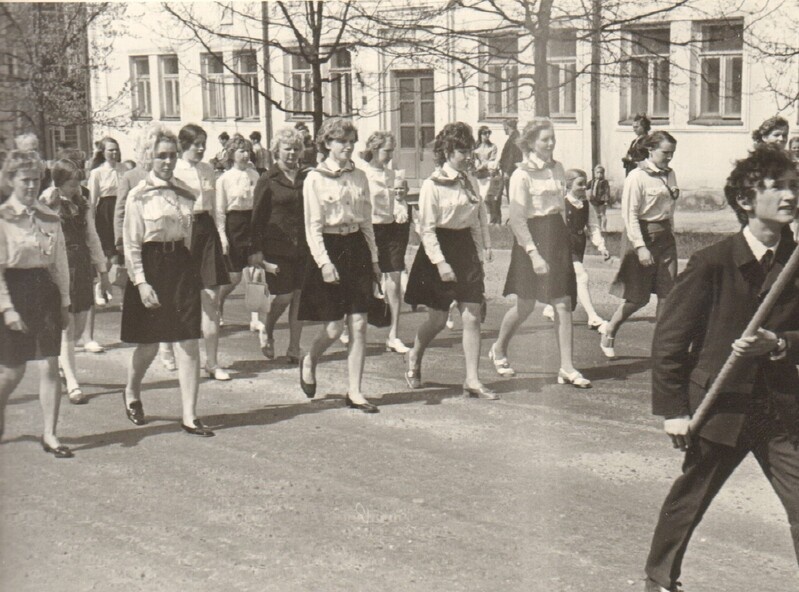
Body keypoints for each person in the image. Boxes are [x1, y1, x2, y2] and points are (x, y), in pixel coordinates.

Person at [642, 145, 799, 592]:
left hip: (781, 411)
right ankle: (659, 578)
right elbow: (670, 343)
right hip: (721, 405)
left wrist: (781, 344)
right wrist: (674, 409)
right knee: (690, 500)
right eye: (777, 188)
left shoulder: (798, 262)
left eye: (794, 187)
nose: (790, 196)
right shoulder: (712, 262)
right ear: (746, 201)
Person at [121, 125, 213, 437]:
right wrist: (142, 283)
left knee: (188, 339)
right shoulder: (138, 196)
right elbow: (133, 245)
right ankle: (132, 391)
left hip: (180, 266)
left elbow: (188, 235)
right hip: (150, 267)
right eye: (161, 156)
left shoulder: (186, 193)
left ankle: (190, 414)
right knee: (148, 344)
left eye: (172, 155)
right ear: (149, 158)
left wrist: (186, 267)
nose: (168, 161)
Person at [488, 119, 590, 388]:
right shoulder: (521, 174)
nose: (551, 143)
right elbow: (518, 220)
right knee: (526, 305)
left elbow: (559, 209)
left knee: (563, 303)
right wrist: (534, 254)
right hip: (530, 241)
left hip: (555, 237)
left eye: (553, 138)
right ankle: (498, 348)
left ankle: (567, 367)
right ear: (531, 142)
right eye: (545, 139)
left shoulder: (558, 168)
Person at [404, 122, 496, 399]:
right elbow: (427, 230)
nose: (468, 155)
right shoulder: (432, 185)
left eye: (470, 150)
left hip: (465, 248)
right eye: (462, 150)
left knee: (471, 316)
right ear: (447, 151)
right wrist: (441, 264)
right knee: (438, 319)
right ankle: (414, 355)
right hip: (438, 251)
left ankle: (472, 379)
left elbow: (478, 221)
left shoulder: (470, 181)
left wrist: (482, 252)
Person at [297, 117, 381, 413]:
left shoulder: (359, 176)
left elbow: (367, 221)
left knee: (358, 324)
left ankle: (355, 391)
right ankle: (311, 358)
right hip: (329, 249)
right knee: (333, 328)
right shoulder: (315, 179)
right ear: (327, 144)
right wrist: (324, 263)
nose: (347, 147)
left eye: (350, 142)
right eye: (341, 141)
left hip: (355, 247)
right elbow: (313, 227)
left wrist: (373, 259)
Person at [0, 150, 73, 457]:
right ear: (11, 180)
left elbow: (59, 263)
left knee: (49, 365)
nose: (31, 186)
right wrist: (7, 309)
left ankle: (50, 434)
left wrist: (65, 301)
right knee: (12, 372)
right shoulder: (3, 218)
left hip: (44, 292)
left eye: (35, 180)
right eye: (24, 180)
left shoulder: (49, 217)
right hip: (13, 292)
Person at [602, 131, 679, 359]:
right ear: (650, 150)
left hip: (665, 238)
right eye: (665, 153)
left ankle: (660, 347)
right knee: (638, 298)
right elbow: (630, 215)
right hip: (642, 237)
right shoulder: (636, 177)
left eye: (672, 154)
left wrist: (670, 233)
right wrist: (641, 247)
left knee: (667, 294)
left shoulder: (670, 174)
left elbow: (669, 207)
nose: (669, 158)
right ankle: (610, 329)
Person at [40, 159, 111, 405]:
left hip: (81, 265)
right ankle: (72, 382)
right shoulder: (48, 203)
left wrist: (102, 271)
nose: (76, 188)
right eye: (71, 184)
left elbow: (92, 236)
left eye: (78, 183)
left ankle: (63, 363)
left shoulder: (82, 204)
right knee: (67, 326)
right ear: (58, 184)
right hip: (60, 266)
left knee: (79, 326)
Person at [172, 124, 231, 381]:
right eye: (197, 143)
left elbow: (216, 207)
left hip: (206, 231)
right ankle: (170, 348)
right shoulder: (173, 170)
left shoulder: (208, 170)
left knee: (211, 296)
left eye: (203, 143)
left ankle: (212, 362)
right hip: (182, 231)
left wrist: (222, 235)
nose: (201, 148)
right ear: (184, 145)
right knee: (180, 297)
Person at [250, 127, 309, 362]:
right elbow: (257, 217)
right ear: (277, 151)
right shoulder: (268, 179)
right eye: (287, 148)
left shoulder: (307, 177)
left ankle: (294, 348)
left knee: (299, 297)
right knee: (283, 296)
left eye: (296, 148)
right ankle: (268, 328)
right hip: (277, 247)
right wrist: (256, 250)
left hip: (303, 247)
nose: (292, 153)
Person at [361, 131, 411, 354]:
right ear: (374, 149)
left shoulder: (393, 175)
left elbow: (400, 200)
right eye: (387, 151)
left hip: (391, 230)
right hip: (368, 230)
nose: (390, 155)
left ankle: (394, 334)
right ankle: (349, 327)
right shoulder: (362, 174)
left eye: (392, 151)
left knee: (395, 277)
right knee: (362, 281)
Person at [542, 169, 611, 329]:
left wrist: (601, 246)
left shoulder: (586, 204)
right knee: (582, 276)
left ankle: (550, 307)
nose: (583, 188)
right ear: (568, 184)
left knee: (566, 277)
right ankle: (593, 316)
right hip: (562, 244)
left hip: (578, 244)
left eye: (585, 184)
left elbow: (593, 226)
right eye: (580, 184)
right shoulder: (561, 203)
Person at [216, 136, 259, 326]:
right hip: (233, 225)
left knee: (256, 272)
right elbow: (219, 210)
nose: (245, 154)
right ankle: (217, 305)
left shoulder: (254, 175)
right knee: (234, 277)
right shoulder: (224, 179)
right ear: (232, 154)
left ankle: (257, 318)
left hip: (252, 222)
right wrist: (222, 236)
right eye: (241, 151)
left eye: (248, 150)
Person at [474, 126, 500, 224]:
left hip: (487, 175)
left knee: (485, 198)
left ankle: (489, 220)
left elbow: (492, 160)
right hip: (477, 176)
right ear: (480, 134)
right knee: (477, 198)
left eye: (489, 133)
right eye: (485, 133)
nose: (487, 135)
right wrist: (475, 164)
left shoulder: (492, 147)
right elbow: (473, 158)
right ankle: (478, 219)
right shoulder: (475, 147)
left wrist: (482, 166)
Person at [498, 118, 522, 222]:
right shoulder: (515, 136)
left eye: (504, 127)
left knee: (512, 195)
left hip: (511, 172)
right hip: (511, 171)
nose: (504, 130)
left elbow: (511, 156)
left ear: (508, 127)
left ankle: (515, 218)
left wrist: (507, 171)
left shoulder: (514, 138)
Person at [588, 164, 611, 232]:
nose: (599, 174)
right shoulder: (592, 181)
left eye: (601, 172)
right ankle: (597, 227)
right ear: (594, 173)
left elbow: (607, 190)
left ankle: (603, 228)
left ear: (603, 173)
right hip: (594, 200)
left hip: (602, 200)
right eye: (597, 172)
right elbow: (586, 186)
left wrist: (606, 199)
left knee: (602, 214)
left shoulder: (604, 182)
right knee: (596, 215)